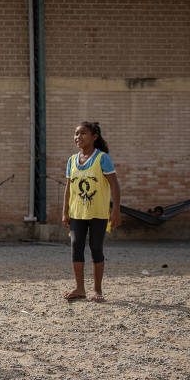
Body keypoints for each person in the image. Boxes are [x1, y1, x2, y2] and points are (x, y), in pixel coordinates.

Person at [62, 121, 121, 303]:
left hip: (98, 213)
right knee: (76, 246)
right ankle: (80, 288)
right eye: (76, 134)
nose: (78, 137)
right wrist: (65, 211)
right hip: (77, 213)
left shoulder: (103, 158)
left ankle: (97, 290)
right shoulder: (72, 160)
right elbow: (68, 187)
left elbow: (114, 184)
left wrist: (116, 210)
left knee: (96, 248)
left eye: (83, 133)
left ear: (94, 137)